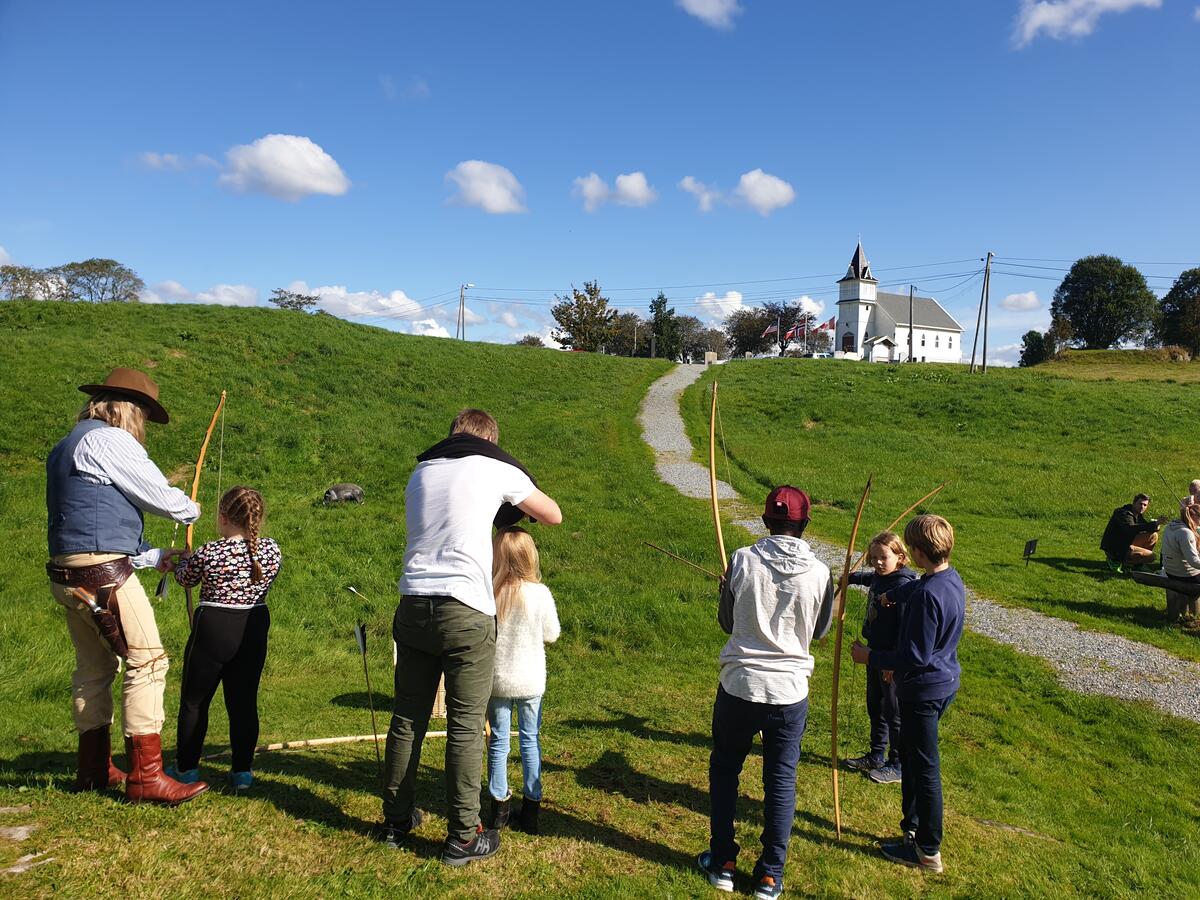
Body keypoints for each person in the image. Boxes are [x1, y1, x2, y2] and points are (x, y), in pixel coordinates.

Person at [380, 409, 562, 867]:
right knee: (464, 726)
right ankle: (463, 835)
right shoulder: (494, 466)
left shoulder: (422, 470)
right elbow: (553, 515)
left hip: (413, 602)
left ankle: (396, 820)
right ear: (491, 441)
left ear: (453, 435)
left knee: (407, 717)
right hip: (465, 608)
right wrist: (512, 496)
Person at [45, 367, 209, 804]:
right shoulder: (109, 440)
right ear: (128, 409)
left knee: (94, 669)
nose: (143, 426)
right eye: (143, 415)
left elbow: (89, 523)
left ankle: (93, 769)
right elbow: (163, 498)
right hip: (103, 576)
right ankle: (146, 777)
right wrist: (190, 509)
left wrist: (152, 557)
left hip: (69, 575)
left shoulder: (67, 445)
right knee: (148, 661)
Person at [698, 486, 834, 900]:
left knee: (726, 769)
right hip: (787, 691)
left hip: (741, 685)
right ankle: (770, 875)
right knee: (780, 779)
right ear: (805, 523)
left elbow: (727, 623)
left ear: (765, 521)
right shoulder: (820, 572)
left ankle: (724, 862)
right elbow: (820, 631)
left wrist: (728, 592)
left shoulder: (742, 559)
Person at [851, 514, 965, 875]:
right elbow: (915, 588)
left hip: (923, 691)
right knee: (917, 762)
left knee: (924, 769)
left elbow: (915, 656)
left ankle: (927, 850)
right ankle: (913, 830)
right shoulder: (947, 578)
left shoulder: (929, 596)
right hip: (943, 683)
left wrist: (870, 657)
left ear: (915, 552)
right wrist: (890, 595)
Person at [168, 486, 282, 790]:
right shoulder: (271, 550)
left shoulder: (210, 552)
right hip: (252, 627)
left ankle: (186, 769)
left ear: (223, 517)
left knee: (195, 701)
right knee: (243, 702)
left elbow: (185, 579)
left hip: (214, 629)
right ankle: (242, 772)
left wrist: (184, 561)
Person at [485, 526, 561, 835]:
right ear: (530, 556)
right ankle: (531, 808)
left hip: (498, 680)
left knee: (498, 741)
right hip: (530, 680)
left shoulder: (490, 592)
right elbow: (552, 634)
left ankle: (498, 807)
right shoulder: (539, 594)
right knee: (530, 740)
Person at [841, 532, 918, 784]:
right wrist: (851, 578)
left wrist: (892, 665)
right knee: (875, 705)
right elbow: (870, 579)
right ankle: (876, 755)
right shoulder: (879, 576)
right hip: (874, 653)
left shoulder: (902, 586)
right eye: (873, 558)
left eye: (883, 557)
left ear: (901, 557)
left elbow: (904, 630)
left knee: (893, 711)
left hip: (890, 659)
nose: (877, 563)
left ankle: (897, 764)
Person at [1100, 493, 1165, 572]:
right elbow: (1131, 529)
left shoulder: (1137, 514)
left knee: (1153, 536)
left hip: (1125, 542)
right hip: (1115, 547)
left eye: (1145, 505)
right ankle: (1116, 561)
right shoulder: (1124, 513)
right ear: (1134, 503)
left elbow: (1145, 527)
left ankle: (1136, 564)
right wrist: (1154, 524)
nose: (1142, 507)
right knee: (1152, 557)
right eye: (1140, 504)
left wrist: (1156, 526)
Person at [1162, 502, 1200, 583]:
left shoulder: (1170, 526)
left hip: (1170, 571)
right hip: (1185, 575)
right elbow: (1194, 562)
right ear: (1194, 516)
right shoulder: (1185, 533)